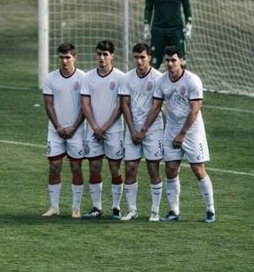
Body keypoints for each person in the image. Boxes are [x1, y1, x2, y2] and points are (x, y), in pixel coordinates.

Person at [142, 46, 216, 223]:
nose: (170, 64)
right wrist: (144, 129)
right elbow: (156, 107)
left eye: (173, 60)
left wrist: (182, 134)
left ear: (181, 61)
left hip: (192, 131)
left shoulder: (192, 80)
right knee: (170, 169)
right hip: (172, 129)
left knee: (198, 169)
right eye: (167, 60)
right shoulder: (161, 81)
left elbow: (195, 110)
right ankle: (174, 211)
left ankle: (210, 210)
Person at [118, 43, 165, 221]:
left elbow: (157, 106)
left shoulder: (158, 78)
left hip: (153, 129)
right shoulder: (127, 78)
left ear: (149, 58)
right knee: (130, 167)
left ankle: (155, 211)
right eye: (136, 57)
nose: (139, 61)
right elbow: (124, 105)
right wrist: (132, 130)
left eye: (142, 57)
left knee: (153, 168)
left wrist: (143, 130)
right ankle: (132, 210)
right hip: (132, 129)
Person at [79, 40, 125, 219]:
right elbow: (85, 104)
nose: (102, 58)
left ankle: (116, 207)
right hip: (93, 130)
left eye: (105, 54)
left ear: (112, 55)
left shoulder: (120, 78)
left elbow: (120, 106)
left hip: (113, 131)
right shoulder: (87, 77)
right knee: (94, 167)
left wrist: (104, 127)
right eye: (99, 54)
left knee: (115, 168)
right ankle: (96, 207)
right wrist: (95, 127)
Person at [41, 43, 86, 219]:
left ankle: (76, 207)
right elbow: (48, 106)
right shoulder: (50, 79)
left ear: (75, 57)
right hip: (55, 131)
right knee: (54, 167)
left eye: (67, 57)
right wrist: (58, 126)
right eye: (61, 57)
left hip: (77, 130)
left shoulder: (83, 78)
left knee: (76, 167)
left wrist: (74, 127)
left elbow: (85, 106)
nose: (64, 61)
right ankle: (54, 207)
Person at [144, 0, 193, 64]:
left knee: (180, 62)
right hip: (158, 30)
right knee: (154, 63)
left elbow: (187, 8)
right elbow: (148, 9)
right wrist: (146, 26)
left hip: (176, 30)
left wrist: (189, 26)